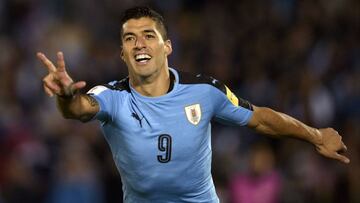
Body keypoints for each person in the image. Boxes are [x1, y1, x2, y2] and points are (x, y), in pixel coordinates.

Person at [37, 6, 349, 203]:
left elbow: (261, 118)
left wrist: (316, 135)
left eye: (148, 35)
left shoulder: (204, 91)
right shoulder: (113, 97)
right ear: (122, 53)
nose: (140, 44)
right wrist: (66, 94)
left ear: (167, 47)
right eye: (130, 38)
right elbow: (78, 109)